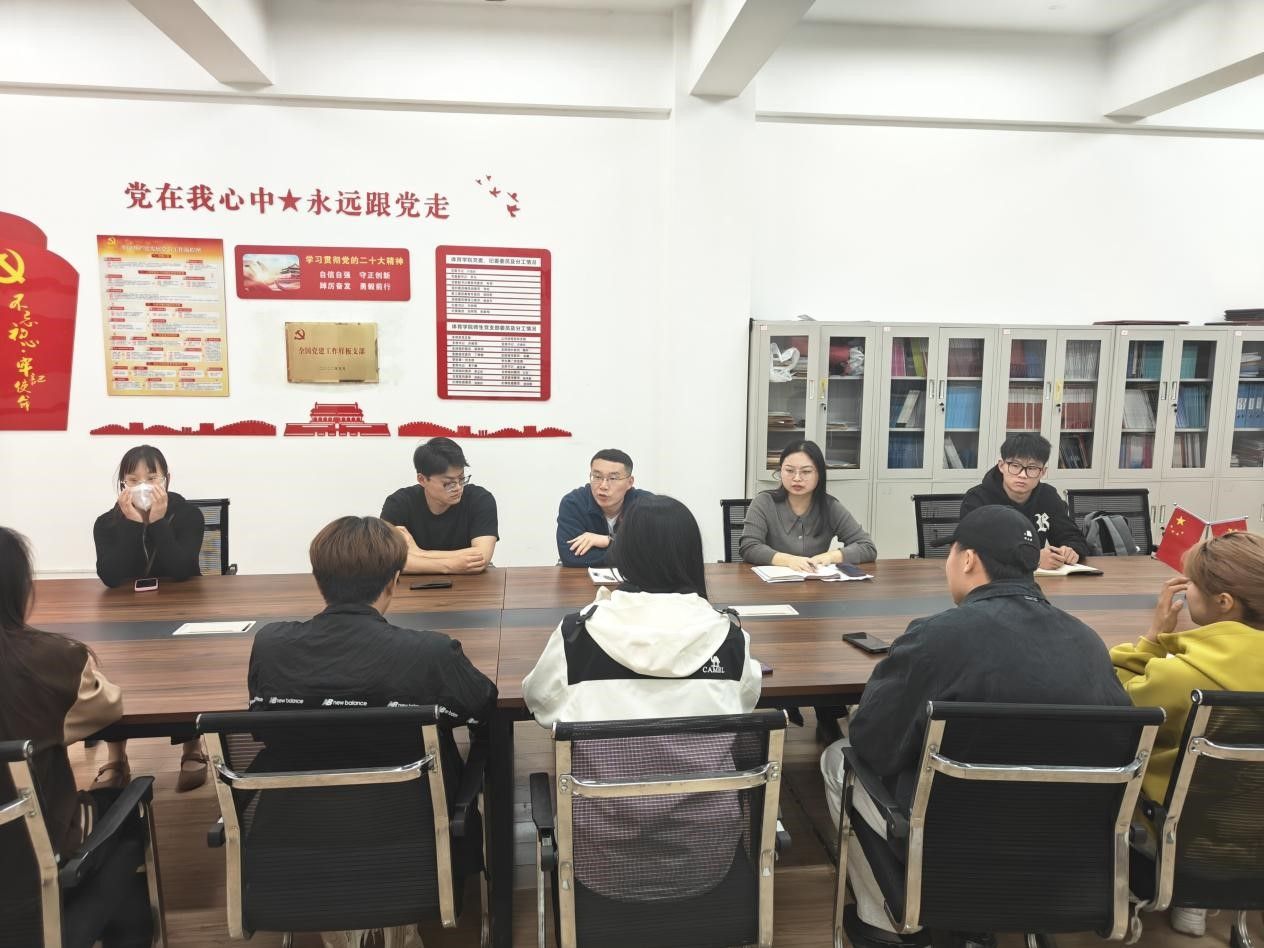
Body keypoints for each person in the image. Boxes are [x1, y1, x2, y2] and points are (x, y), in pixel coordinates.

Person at [821, 505, 1128, 948]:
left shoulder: (936, 637)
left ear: (967, 560)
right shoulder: (1088, 642)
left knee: (839, 758)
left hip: (951, 842)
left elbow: (872, 742)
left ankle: (887, 925)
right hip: (1062, 846)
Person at [248, 516, 498, 948]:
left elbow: (263, 728)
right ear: (394, 581)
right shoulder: (430, 652)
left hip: (296, 834)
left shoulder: (271, 646)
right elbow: (482, 705)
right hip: (413, 836)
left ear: (318, 580)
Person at [524, 495, 762, 901]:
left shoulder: (579, 634)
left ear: (623, 553)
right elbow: (745, 704)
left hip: (601, 857)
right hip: (705, 854)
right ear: (691, 555)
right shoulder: (730, 638)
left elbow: (541, 705)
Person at [0, 527, 154, 948]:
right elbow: (107, 707)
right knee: (125, 813)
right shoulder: (51, 662)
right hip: (30, 873)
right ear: (18, 587)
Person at [1110, 531, 1264, 937]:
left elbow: (1111, 701)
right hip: (1252, 831)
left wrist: (1152, 637)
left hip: (1183, 836)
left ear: (1224, 603)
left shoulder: (1180, 675)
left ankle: (1184, 886)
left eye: (1191, 582)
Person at [91, 445, 206, 793]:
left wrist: (157, 523)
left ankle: (191, 746)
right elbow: (111, 576)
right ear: (122, 485)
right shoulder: (107, 522)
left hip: (180, 607)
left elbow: (183, 570)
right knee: (111, 671)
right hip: (123, 613)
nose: (143, 485)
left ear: (166, 480)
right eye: (133, 479)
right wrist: (131, 524)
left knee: (183, 669)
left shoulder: (188, 515)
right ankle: (116, 756)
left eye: (152, 477)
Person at [739, 440, 877, 570]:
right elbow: (749, 547)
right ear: (780, 471)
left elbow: (867, 547)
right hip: (769, 583)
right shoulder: (764, 502)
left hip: (814, 582)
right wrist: (789, 560)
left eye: (806, 472)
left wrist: (831, 556)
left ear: (819, 474)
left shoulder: (830, 507)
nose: (797, 478)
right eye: (789, 471)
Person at [960, 433, 1089, 570]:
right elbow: (969, 548)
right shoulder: (978, 499)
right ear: (1001, 466)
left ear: (1043, 472)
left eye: (1032, 468)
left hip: (1039, 580)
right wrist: (1033, 558)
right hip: (991, 577)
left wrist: (1070, 550)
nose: (1022, 475)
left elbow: (1074, 538)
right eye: (1015, 466)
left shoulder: (1047, 496)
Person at [381, 438, 497, 575]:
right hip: (412, 586)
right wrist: (451, 565)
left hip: (473, 584)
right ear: (422, 479)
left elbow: (481, 557)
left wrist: (418, 553)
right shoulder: (398, 504)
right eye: (449, 483)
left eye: (461, 479)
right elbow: (387, 560)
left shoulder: (480, 499)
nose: (458, 488)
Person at [555, 448, 651, 567]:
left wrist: (608, 540)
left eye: (613, 478)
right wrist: (630, 553)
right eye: (597, 477)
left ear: (629, 482)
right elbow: (571, 557)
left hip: (633, 577)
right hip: (583, 576)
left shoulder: (645, 505)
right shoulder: (574, 503)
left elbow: (655, 552)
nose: (603, 486)